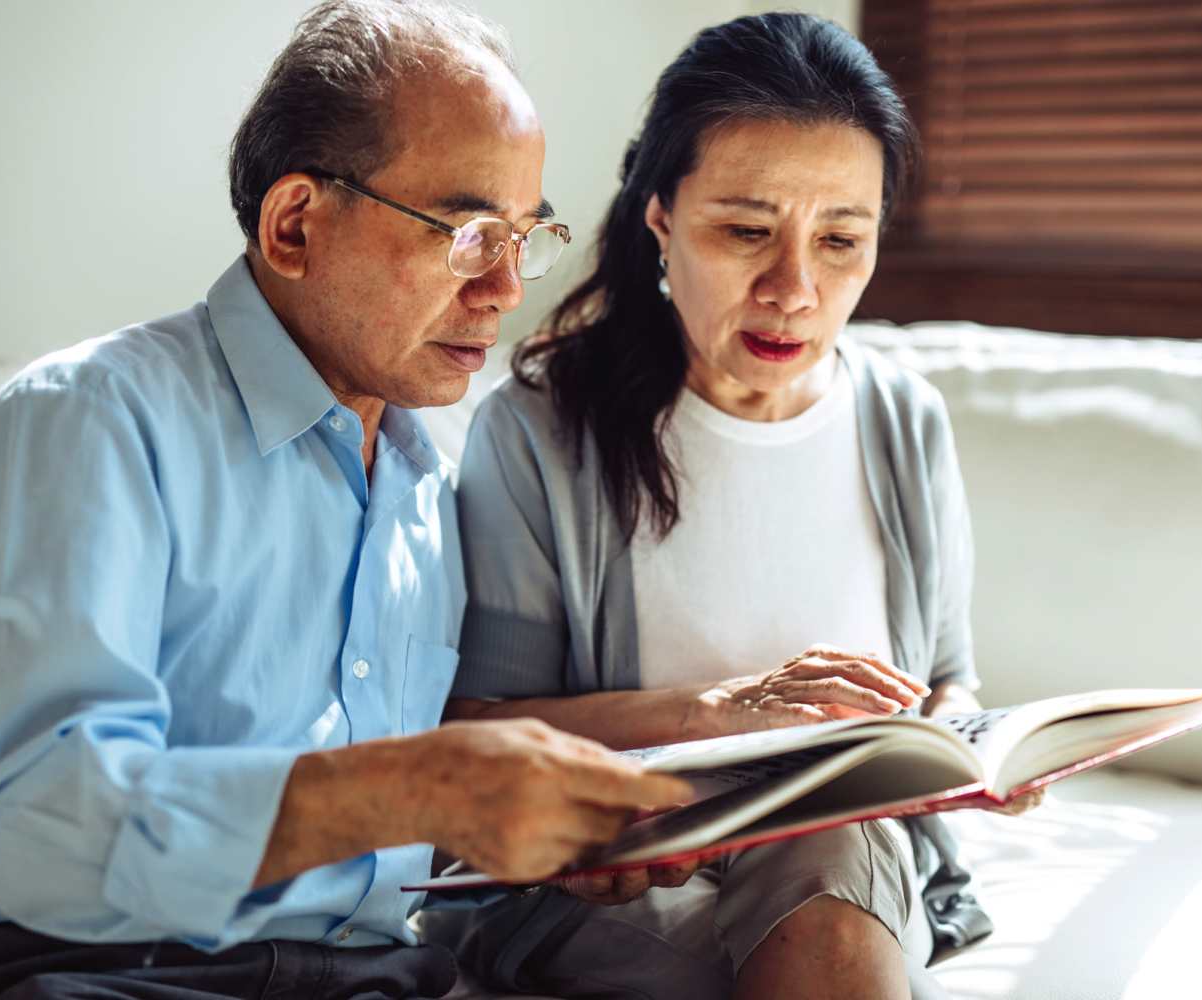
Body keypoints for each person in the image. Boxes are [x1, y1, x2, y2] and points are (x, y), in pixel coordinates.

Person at [0, 3, 690, 998]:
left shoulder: (419, 485)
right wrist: (415, 785)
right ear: (297, 223)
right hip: (82, 972)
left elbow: (374, 855)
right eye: (469, 232)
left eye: (524, 237)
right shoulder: (89, 421)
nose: (505, 288)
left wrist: (547, 842)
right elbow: (34, 826)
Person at [423, 12, 1042, 1000]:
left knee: (836, 854)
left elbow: (946, 680)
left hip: (845, 864)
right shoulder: (540, 430)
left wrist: (972, 748)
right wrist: (705, 717)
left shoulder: (905, 422)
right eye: (747, 231)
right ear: (660, 216)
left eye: (842, 239)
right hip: (614, 875)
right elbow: (475, 724)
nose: (794, 289)